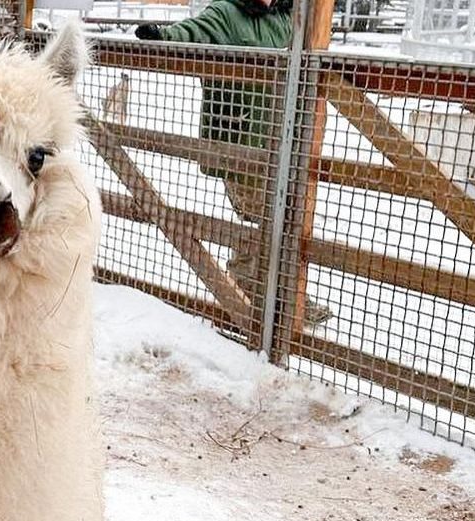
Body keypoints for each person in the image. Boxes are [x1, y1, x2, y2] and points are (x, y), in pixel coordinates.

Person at [136, 0, 334, 328]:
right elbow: (193, 33)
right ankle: (265, 294)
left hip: (284, 143)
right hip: (241, 143)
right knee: (270, 215)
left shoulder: (291, 18)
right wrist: (163, 36)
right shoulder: (227, 13)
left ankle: (273, 291)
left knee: (283, 216)